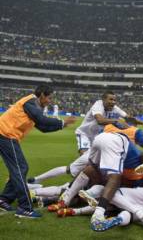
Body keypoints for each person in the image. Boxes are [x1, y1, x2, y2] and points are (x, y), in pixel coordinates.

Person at [0, 85, 76, 218]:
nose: (50, 101)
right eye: (49, 97)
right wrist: (61, 123)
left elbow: (42, 127)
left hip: (6, 135)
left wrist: (62, 125)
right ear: (41, 95)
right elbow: (41, 120)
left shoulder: (34, 105)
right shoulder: (31, 101)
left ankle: (4, 199)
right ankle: (24, 208)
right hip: (6, 134)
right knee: (20, 168)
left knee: (20, 168)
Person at [75, 91, 128, 155]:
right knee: (85, 156)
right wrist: (116, 121)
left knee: (98, 158)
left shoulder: (114, 107)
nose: (113, 102)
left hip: (97, 136)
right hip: (85, 134)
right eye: (111, 99)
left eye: (114, 100)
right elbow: (100, 120)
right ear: (103, 99)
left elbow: (127, 117)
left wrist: (136, 122)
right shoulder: (98, 105)